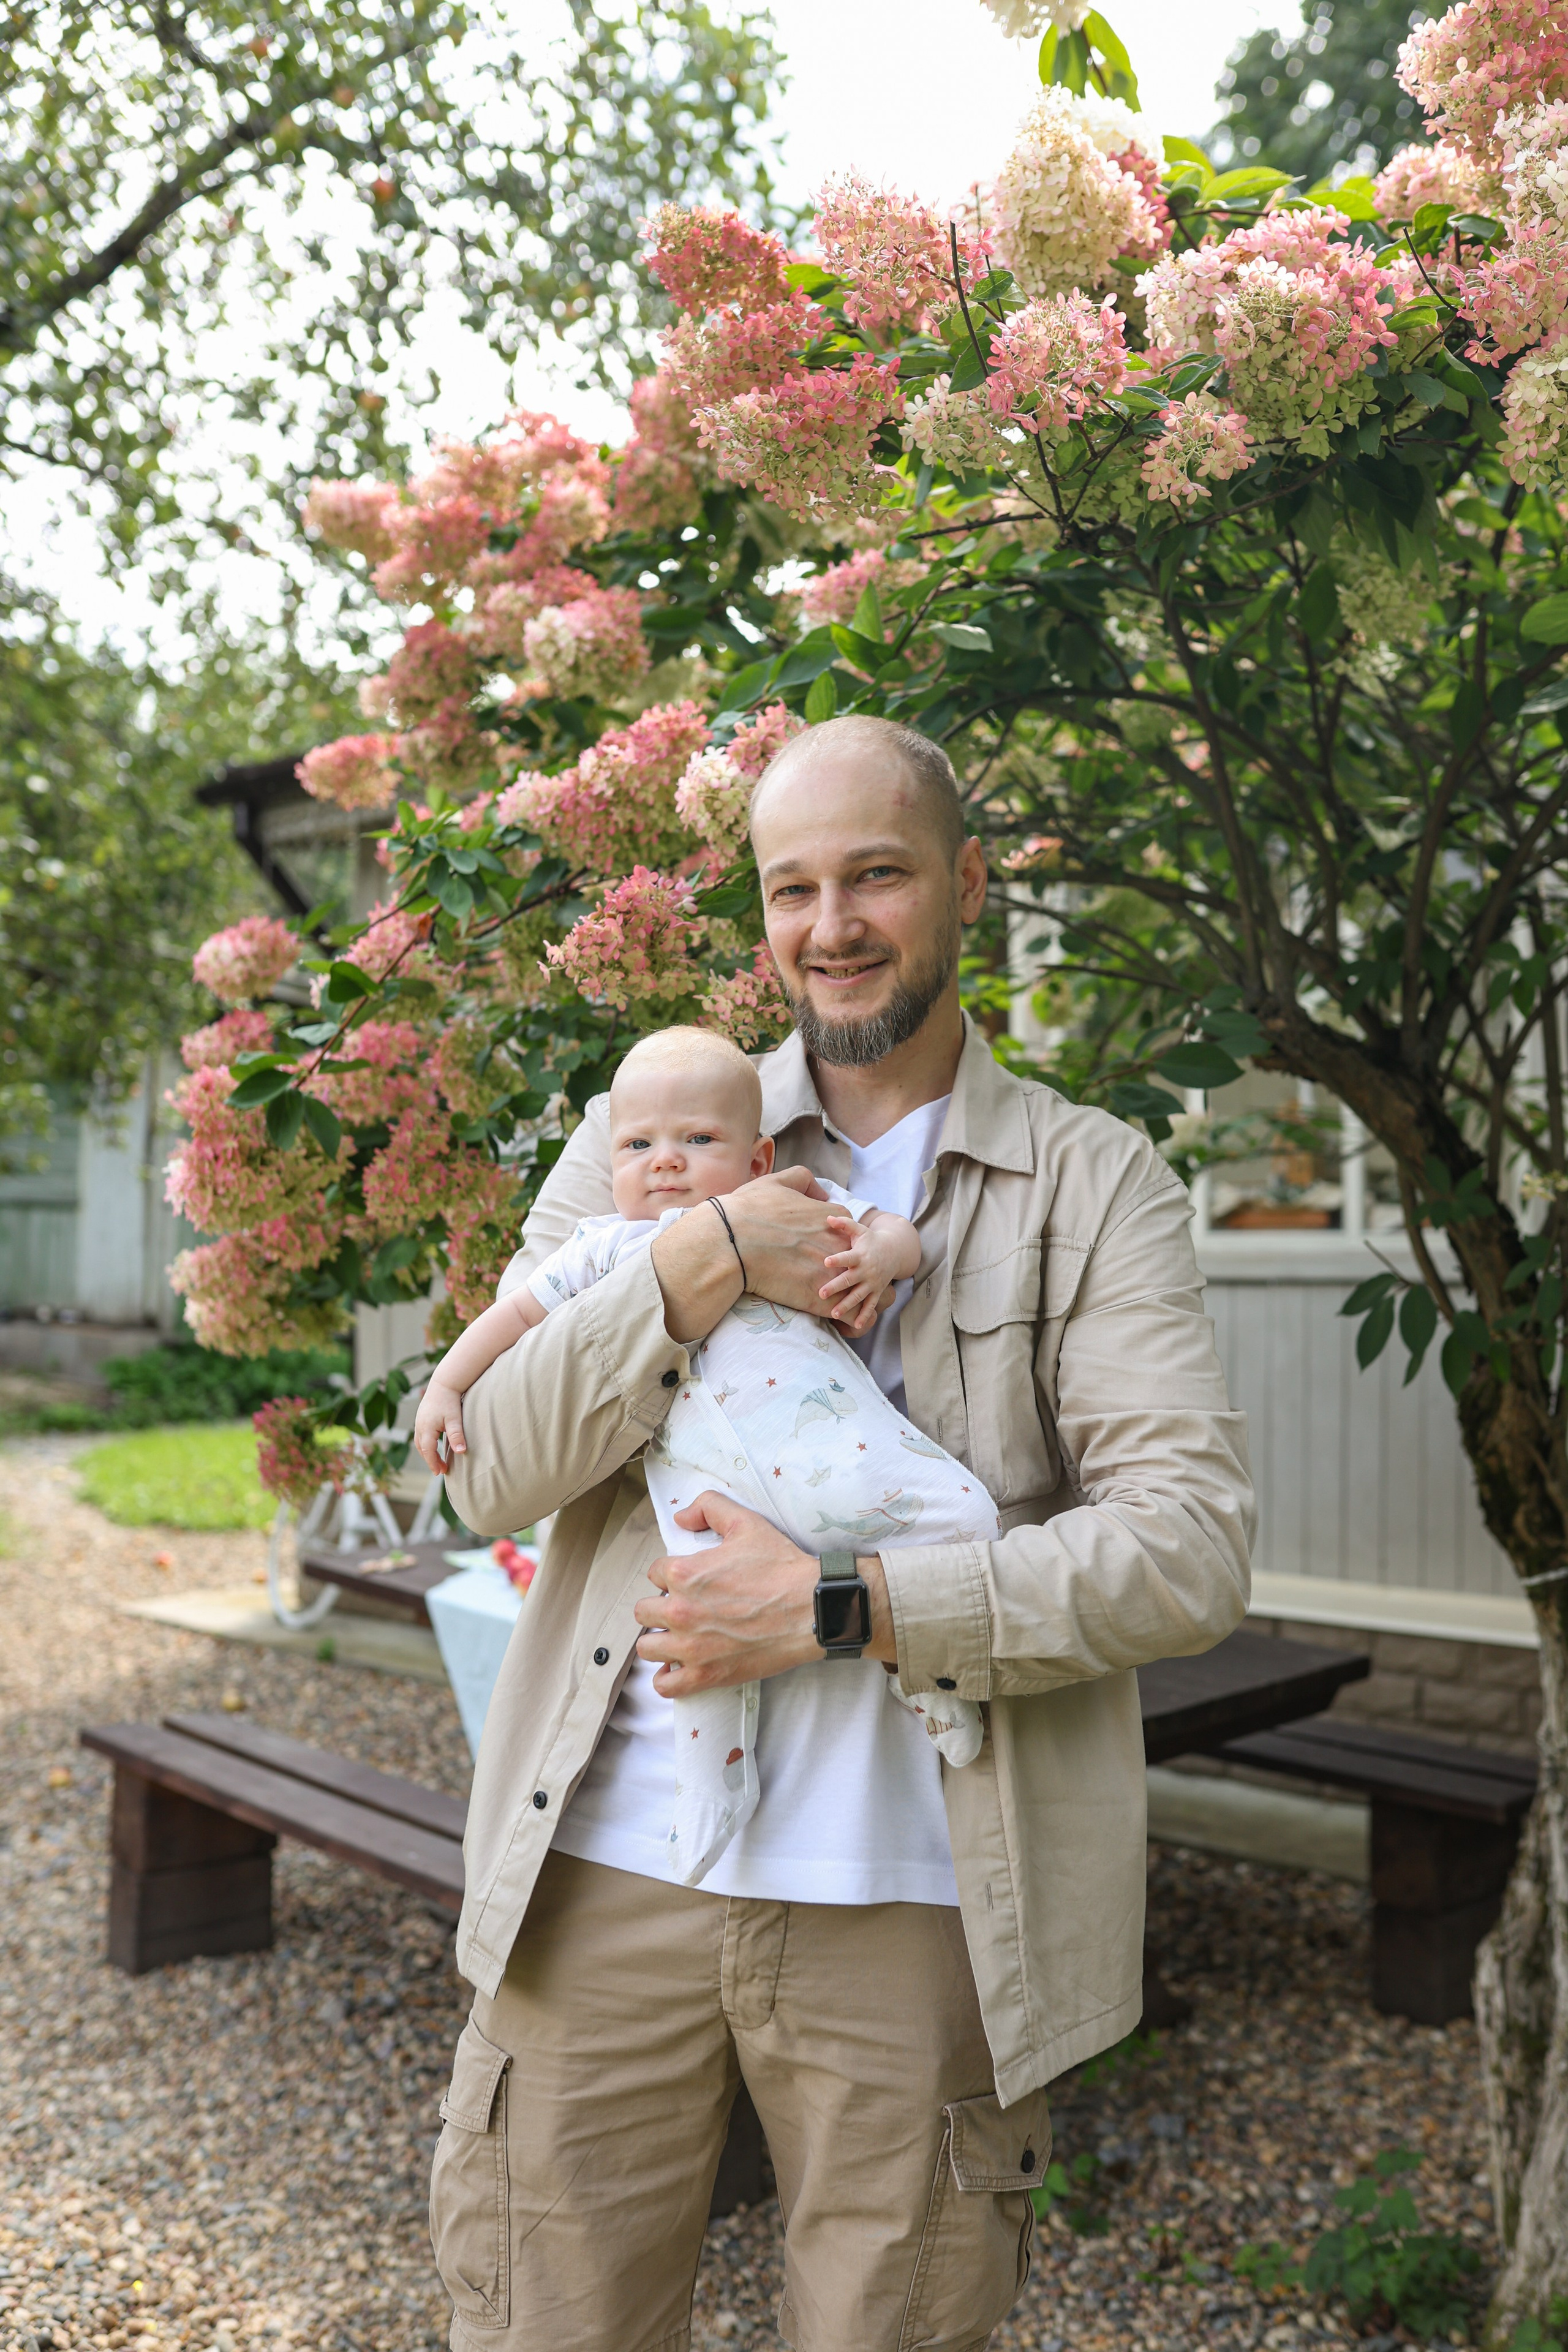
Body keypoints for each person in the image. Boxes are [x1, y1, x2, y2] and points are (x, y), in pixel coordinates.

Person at [431, 714, 1255, 2352]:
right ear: (759, 917)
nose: (835, 924)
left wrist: (838, 1608)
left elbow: (1188, 1546)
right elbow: (490, 1470)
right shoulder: (660, 1131)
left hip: (917, 1891)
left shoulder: (1094, 1185)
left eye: (876, 873)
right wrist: (695, 1258)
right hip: (610, 1858)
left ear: (964, 883)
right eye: (793, 887)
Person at [412, 1022, 991, 1887]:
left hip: (824, 1455)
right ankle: (709, 1803)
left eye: (697, 1141)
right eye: (639, 1144)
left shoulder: (796, 1203)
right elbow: (511, 1323)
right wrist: (447, 1388)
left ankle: (931, 1682)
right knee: (699, 1646)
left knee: (961, 1516)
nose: (666, 1162)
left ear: (757, 1160)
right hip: (705, 1491)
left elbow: (896, 1234)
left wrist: (879, 1257)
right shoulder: (606, 1244)